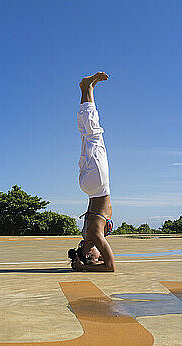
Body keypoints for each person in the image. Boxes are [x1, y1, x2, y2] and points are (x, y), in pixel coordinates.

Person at [68, 71, 116, 272]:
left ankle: (87, 88)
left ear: (89, 254)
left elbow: (110, 267)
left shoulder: (94, 235)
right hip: (89, 186)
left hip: (97, 186)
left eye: (96, 258)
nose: (100, 256)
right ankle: (87, 90)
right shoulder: (86, 234)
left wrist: (84, 268)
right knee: (88, 136)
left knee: (94, 135)